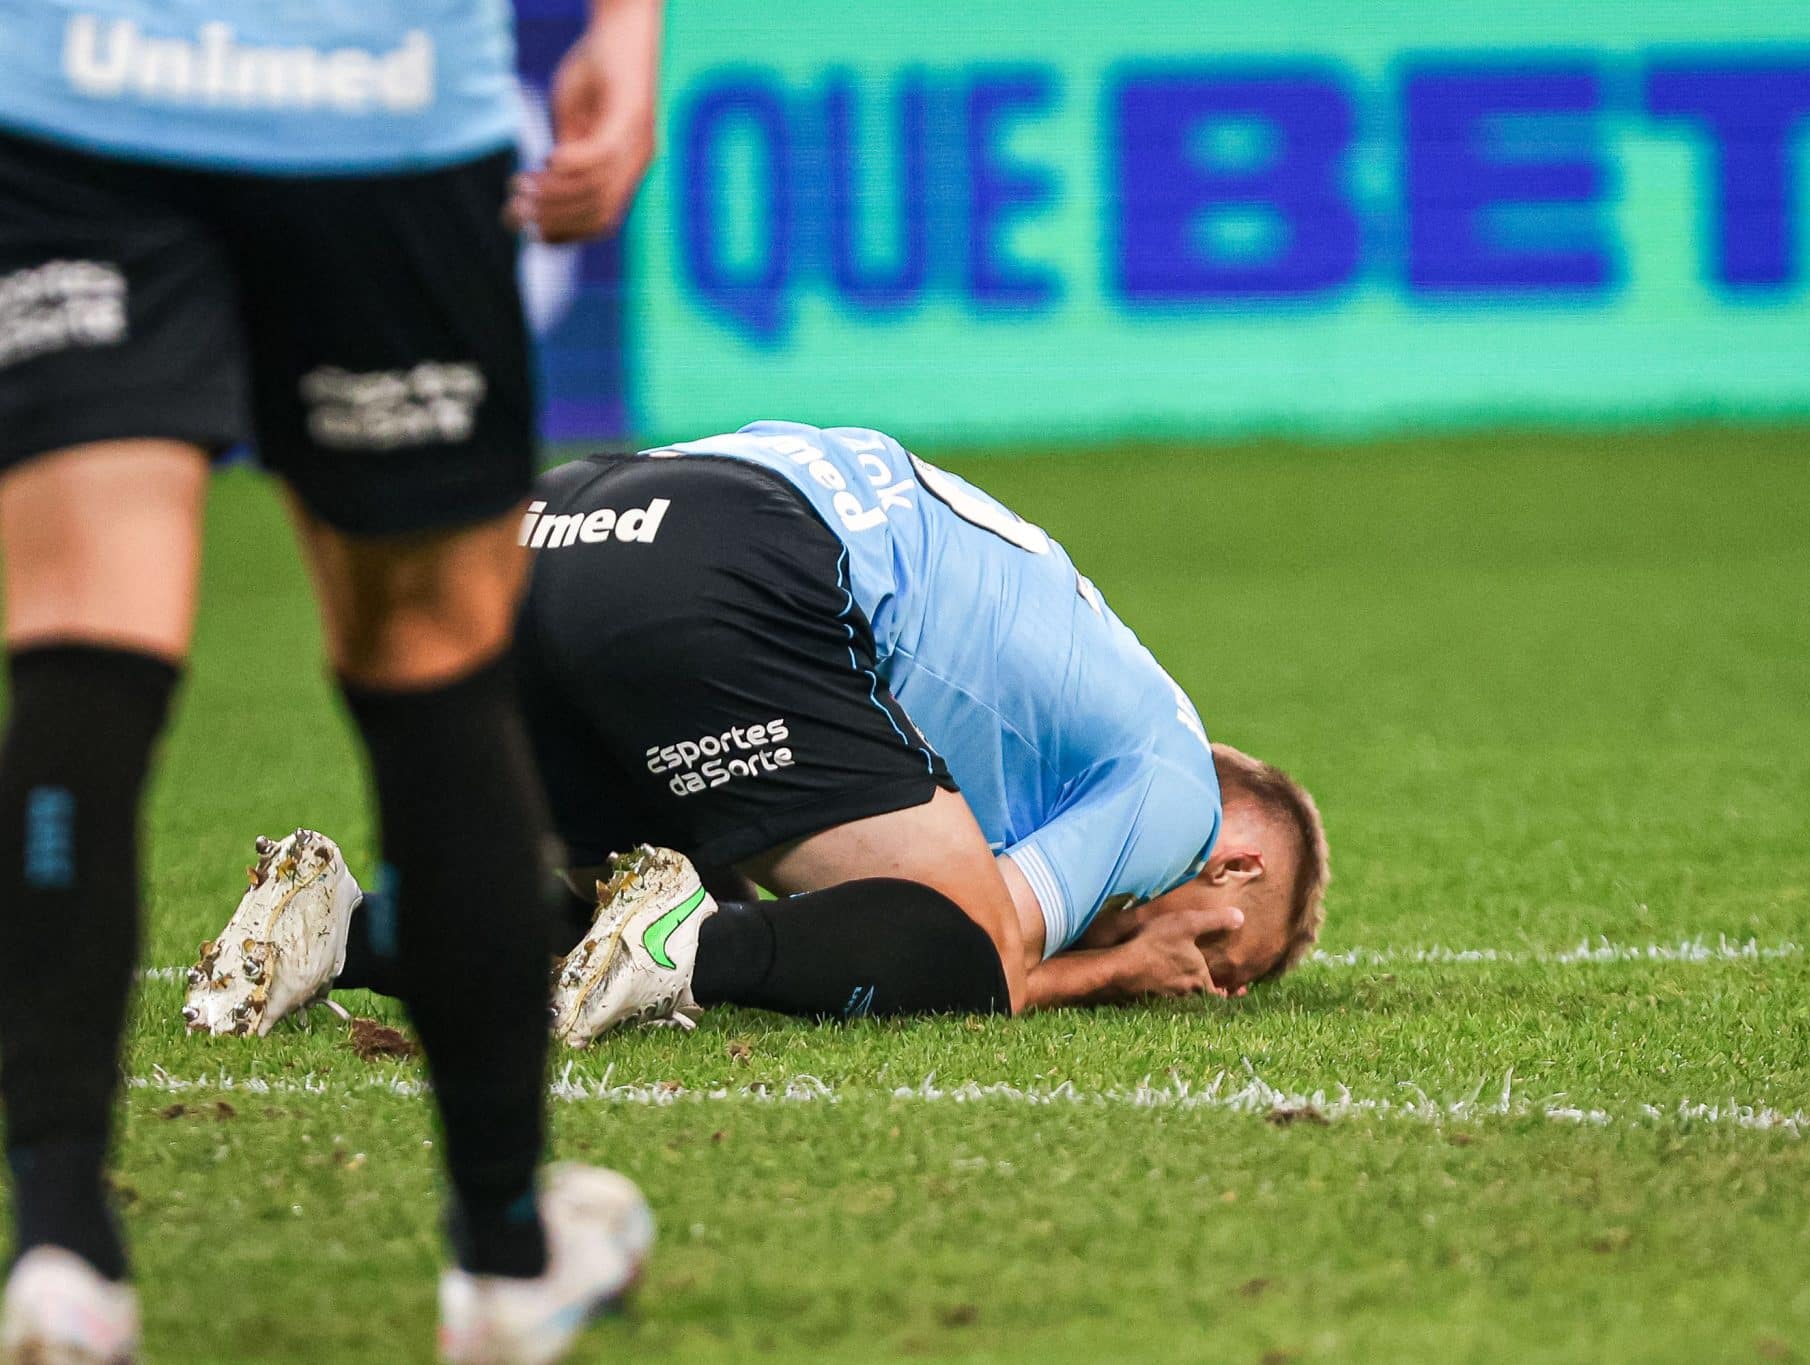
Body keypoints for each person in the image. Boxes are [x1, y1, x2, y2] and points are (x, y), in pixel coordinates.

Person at [0, 2, 662, 1361]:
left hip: (82, 82)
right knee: (430, 656)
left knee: (81, 638)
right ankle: (503, 1254)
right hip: (377, 95)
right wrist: (630, 27)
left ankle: (63, 1255)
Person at [182, 422, 1331, 1047]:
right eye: (1220, 956)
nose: (1190, 974)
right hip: (728, 558)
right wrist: (1121, 967)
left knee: (633, 910)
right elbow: (1000, 951)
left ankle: (335, 927)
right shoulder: (1171, 787)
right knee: (953, 943)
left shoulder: (1063, 717)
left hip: (551, 526)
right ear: (1233, 867)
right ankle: (683, 942)